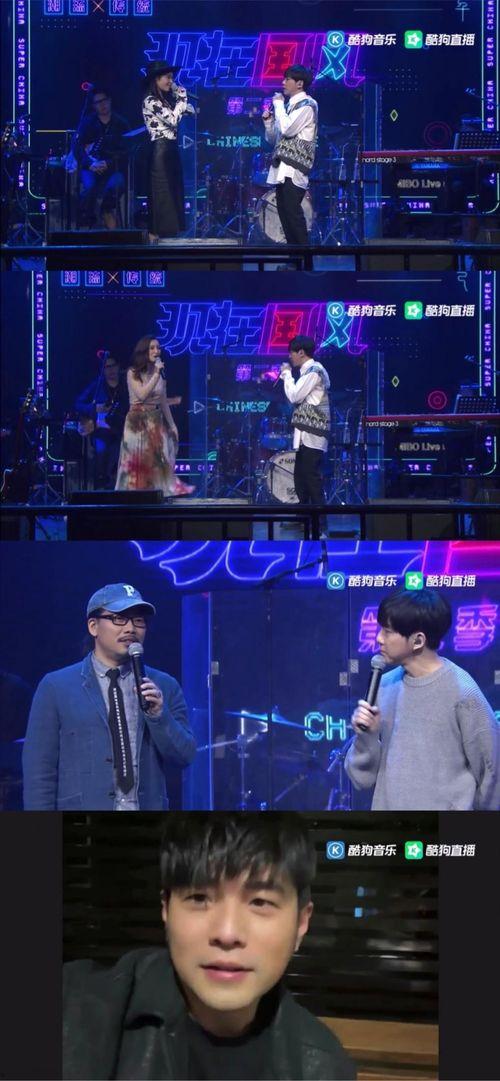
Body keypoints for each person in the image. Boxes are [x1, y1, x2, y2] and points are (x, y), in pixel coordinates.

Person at [63, 813, 356, 1080]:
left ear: (301, 923)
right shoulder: (75, 1012)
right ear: (166, 908)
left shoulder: (324, 1068)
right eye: (199, 898)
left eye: (260, 902)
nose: (227, 934)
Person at [22, 583, 196, 810]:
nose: (131, 628)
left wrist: (159, 717)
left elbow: (184, 756)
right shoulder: (56, 686)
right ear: (93, 626)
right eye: (119, 619)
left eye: (139, 621)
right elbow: (39, 771)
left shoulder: (164, 685)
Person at [345, 587, 500, 810]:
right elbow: (362, 780)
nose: (378, 638)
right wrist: (366, 737)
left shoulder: (463, 693)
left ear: (418, 640)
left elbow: (492, 773)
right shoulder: (384, 686)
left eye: (387, 631)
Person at [115, 335, 194, 496]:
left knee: (158, 460)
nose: (156, 351)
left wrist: (172, 425)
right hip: (136, 421)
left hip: (155, 419)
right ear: (144, 351)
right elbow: (142, 395)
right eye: (152, 348)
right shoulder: (132, 372)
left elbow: (163, 401)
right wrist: (157, 373)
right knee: (136, 462)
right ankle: (132, 498)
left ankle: (157, 496)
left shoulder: (161, 374)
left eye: (158, 348)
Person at [262, 65, 318, 245]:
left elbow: (287, 129)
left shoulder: (308, 105)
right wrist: (269, 123)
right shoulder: (288, 107)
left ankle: (305, 259)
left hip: (294, 170)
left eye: (287, 79)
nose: (283, 83)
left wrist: (278, 105)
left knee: (293, 217)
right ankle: (294, 258)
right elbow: (275, 140)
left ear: (299, 84)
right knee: (285, 217)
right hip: (281, 169)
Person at [142, 61, 196, 242]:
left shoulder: (164, 100)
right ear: (156, 79)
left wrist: (180, 99)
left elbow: (190, 111)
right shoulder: (150, 101)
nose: (171, 81)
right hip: (160, 151)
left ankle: (170, 236)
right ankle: (157, 237)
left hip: (171, 150)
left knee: (173, 192)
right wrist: (181, 99)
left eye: (172, 78)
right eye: (168, 78)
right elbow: (172, 120)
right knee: (162, 195)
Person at [279, 335, 330, 504]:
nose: (290, 356)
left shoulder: (314, 371)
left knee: (311, 479)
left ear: (301, 352)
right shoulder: (307, 372)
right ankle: (305, 517)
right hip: (305, 433)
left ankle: (320, 519)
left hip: (313, 433)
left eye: (291, 353)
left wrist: (287, 374)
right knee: (301, 481)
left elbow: (295, 396)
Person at [77, 88, 130, 229]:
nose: (102, 104)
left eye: (104, 100)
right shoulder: (87, 123)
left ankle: (105, 211)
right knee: (89, 188)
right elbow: (78, 149)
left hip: (113, 168)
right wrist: (90, 164)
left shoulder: (121, 123)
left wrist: (108, 163)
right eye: (98, 102)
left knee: (117, 185)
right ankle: (88, 221)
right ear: (94, 105)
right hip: (91, 167)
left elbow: (126, 151)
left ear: (110, 100)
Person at [75, 354, 128, 489]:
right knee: (101, 451)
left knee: (120, 453)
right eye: (106, 367)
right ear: (102, 370)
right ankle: (101, 486)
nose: (111, 370)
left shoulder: (126, 384)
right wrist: (95, 408)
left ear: (118, 367)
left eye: (113, 366)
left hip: (122, 430)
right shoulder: (97, 385)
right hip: (101, 431)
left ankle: (117, 488)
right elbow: (78, 404)